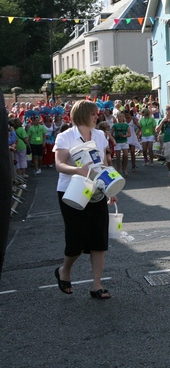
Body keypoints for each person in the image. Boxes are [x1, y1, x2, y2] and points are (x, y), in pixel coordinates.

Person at [54, 100, 115, 299]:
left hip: (96, 190)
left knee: (99, 238)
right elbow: (59, 165)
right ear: (82, 115)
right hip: (71, 190)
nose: (97, 116)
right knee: (76, 239)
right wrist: (78, 170)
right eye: (93, 114)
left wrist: (111, 187)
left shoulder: (100, 135)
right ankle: (65, 270)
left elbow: (104, 164)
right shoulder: (65, 136)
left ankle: (97, 285)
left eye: (96, 114)